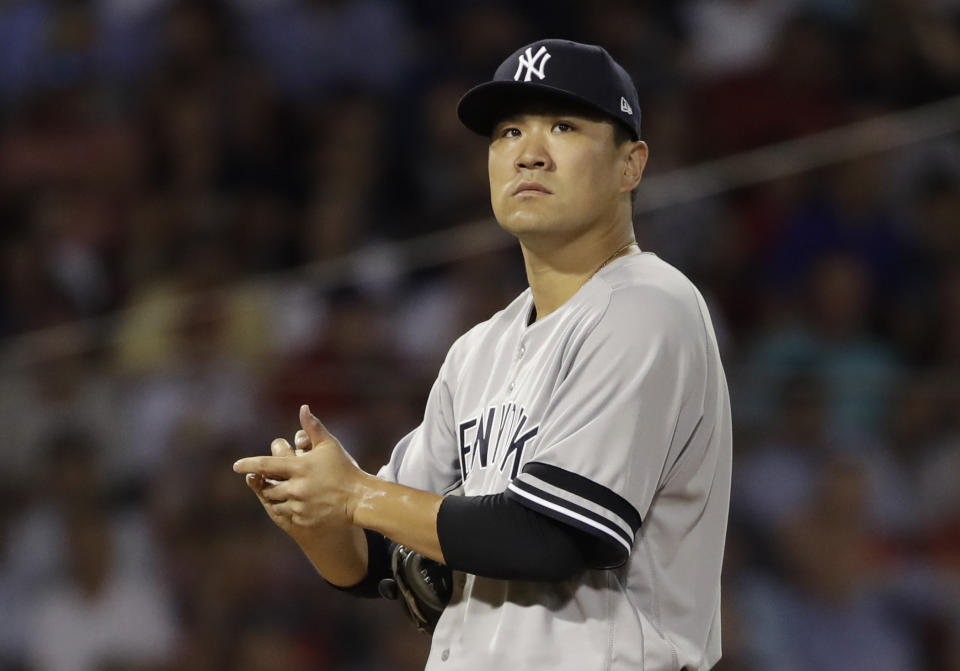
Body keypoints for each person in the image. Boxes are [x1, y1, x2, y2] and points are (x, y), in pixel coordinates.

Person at [234, 39, 732, 671]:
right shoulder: (479, 350)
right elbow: (385, 560)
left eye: (563, 126)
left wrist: (356, 496)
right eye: (507, 132)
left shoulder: (649, 306)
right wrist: (319, 518)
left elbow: (555, 536)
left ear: (630, 165)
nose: (529, 152)